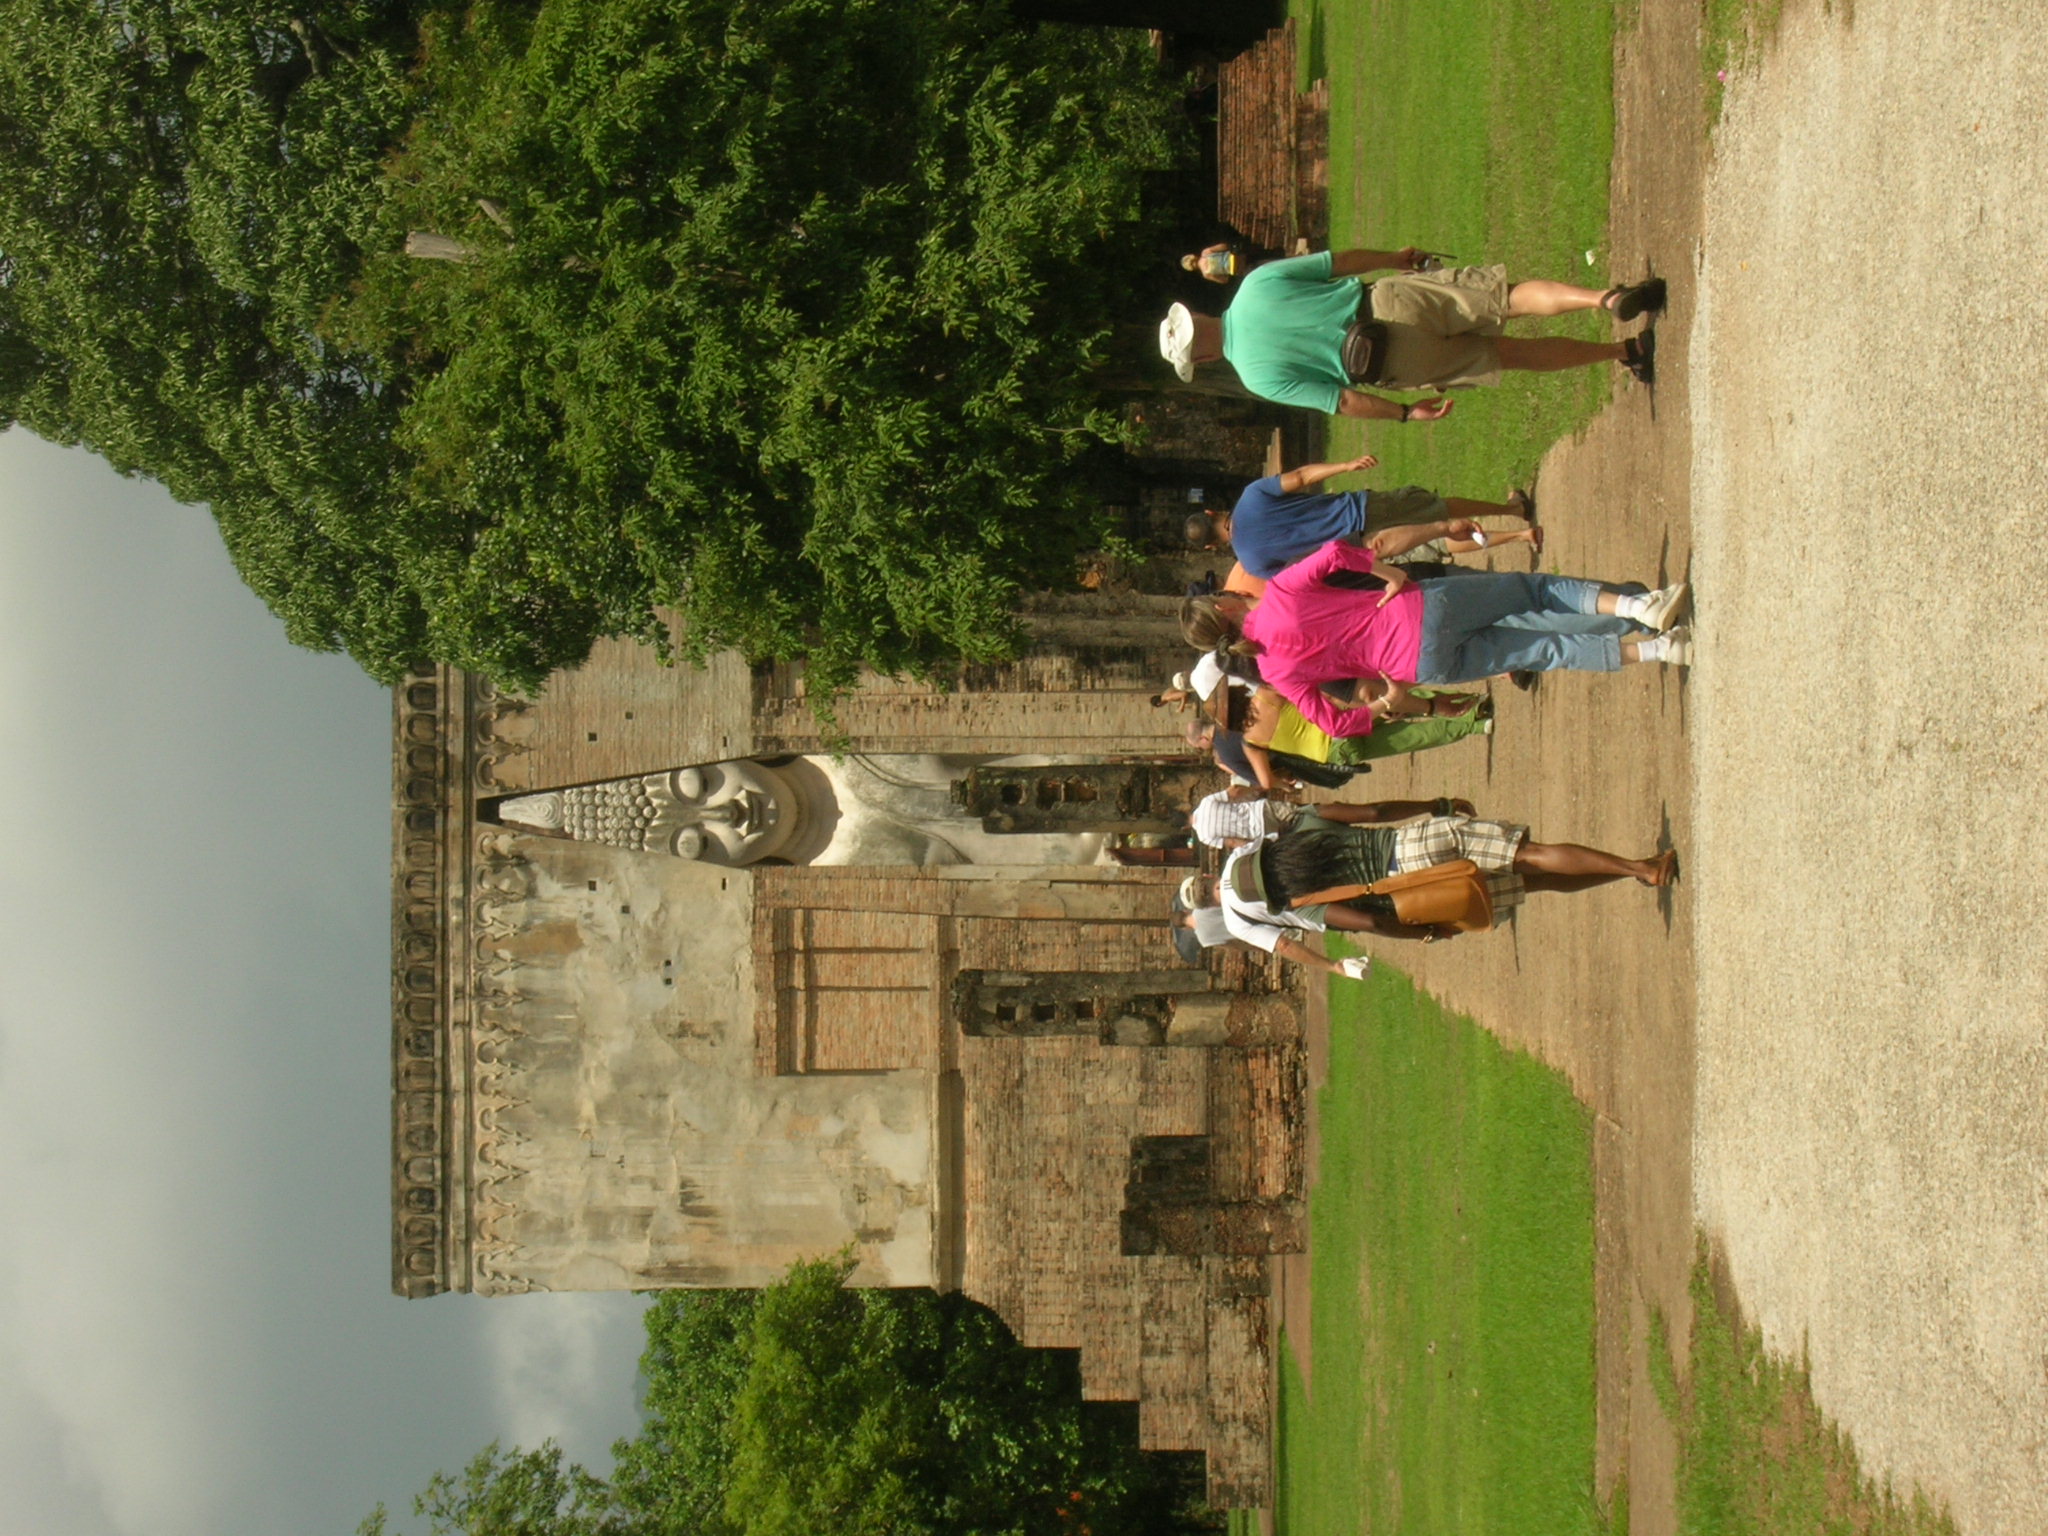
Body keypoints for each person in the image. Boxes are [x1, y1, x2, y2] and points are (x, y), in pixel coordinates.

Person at [1181, 541, 1691, 739]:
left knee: (1545, 651)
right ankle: (1636, 607)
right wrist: (1388, 574)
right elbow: (1335, 552)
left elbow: (1333, 723)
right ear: (1224, 608)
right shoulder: (1279, 593)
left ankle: (1659, 650)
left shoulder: (1273, 672)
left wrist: (1386, 702)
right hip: (1418, 610)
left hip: (1419, 666)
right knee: (1532, 591)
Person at [1158, 247, 1664, 418]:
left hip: (1387, 361)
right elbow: (1337, 262)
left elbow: (1343, 401)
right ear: (1199, 315)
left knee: (1511, 354)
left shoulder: (1256, 376)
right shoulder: (1255, 285)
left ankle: (1621, 350)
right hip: (1385, 301)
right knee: (1507, 299)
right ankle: (1603, 299)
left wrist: (1403, 413)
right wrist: (1394, 258)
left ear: (1202, 360)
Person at [1211, 798, 1677, 973]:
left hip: (1419, 894)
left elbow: (1369, 923)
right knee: (1530, 854)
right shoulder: (1304, 825)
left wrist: (1426, 933)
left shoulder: (1307, 904)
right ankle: (1638, 868)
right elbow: (1375, 813)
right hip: (1413, 843)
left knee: (1535, 884)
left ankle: (1635, 873)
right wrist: (1435, 804)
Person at [1190, 454, 1539, 582]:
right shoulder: (1252, 495)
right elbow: (1300, 477)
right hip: (1359, 509)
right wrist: (1344, 466)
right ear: (1212, 512)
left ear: (1210, 546)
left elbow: (1303, 575)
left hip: (1359, 550)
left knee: (1433, 541)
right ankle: (1513, 510)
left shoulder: (1253, 564)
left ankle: (1515, 543)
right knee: (1438, 508)